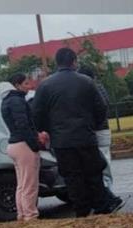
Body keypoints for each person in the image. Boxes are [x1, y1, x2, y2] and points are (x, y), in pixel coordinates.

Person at [33, 47, 124, 217]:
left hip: (61, 141)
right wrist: (93, 125)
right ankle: (101, 206)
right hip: (85, 136)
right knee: (94, 173)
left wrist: (48, 129)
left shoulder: (45, 85)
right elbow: (101, 107)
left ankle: (81, 210)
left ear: (56, 62)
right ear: (74, 61)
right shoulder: (86, 82)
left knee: (72, 177)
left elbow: (37, 113)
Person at [0, 73, 47, 221]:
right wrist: (35, 144)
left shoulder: (7, 100)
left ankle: (22, 214)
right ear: (17, 85)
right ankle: (30, 215)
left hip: (14, 144)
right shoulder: (17, 101)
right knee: (30, 184)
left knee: (22, 184)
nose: (30, 86)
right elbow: (24, 125)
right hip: (24, 145)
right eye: (26, 84)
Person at [77, 66, 117, 198]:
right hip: (102, 128)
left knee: (100, 160)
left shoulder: (90, 88)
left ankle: (106, 191)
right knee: (103, 159)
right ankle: (105, 189)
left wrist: (92, 122)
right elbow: (105, 104)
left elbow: (102, 106)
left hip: (96, 129)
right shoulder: (98, 86)